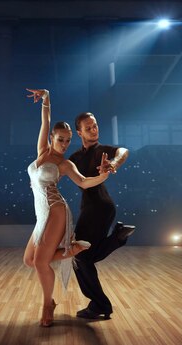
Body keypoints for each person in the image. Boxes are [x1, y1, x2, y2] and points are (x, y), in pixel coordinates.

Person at [22, 89, 111, 327]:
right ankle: (72, 251)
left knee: (41, 262)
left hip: (55, 210)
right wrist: (46, 98)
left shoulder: (65, 163)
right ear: (52, 137)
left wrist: (103, 175)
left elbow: (84, 181)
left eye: (68, 140)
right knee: (29, 260)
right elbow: (46, 120)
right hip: (41, 213)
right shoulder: (42, 151)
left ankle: (47, 305)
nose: (64, 144)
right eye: (60, 139)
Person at [69, 112, 135, 320]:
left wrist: (114, 163)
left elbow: (124, 151)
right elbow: (58, 169)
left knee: (79, 255)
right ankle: (118, 237)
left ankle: (100, 304)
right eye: (88, 128)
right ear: (79, 132)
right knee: (83, 256)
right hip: (92, 208)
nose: (94, 130)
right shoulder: (75, 158)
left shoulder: (103, 151)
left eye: (95, 125)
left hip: (99, 208)